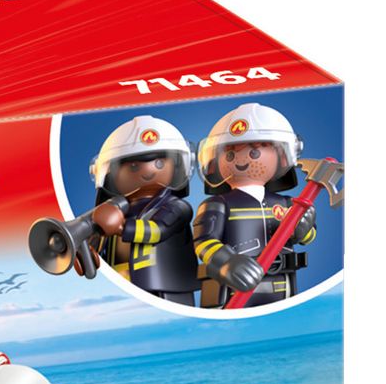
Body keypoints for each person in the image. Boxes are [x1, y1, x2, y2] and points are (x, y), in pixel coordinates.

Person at [194, 103, 316, 307]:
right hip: (235, 289)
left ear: (283, 157)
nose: (241, 161)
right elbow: (203, 242)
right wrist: (226, 262)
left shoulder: (287, 204)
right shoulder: (218, 204)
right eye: (230, 155)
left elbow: (307, 238)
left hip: (283, 287)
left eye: (255, 153)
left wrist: (304, 229)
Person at [82, 116, 199, 305]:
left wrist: (121, 228)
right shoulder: (115, 210)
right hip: (121, 290)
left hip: (165, 287)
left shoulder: (177, 207)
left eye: (159, 164)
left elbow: (157, 230)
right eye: (134, 166)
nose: (148, 172)